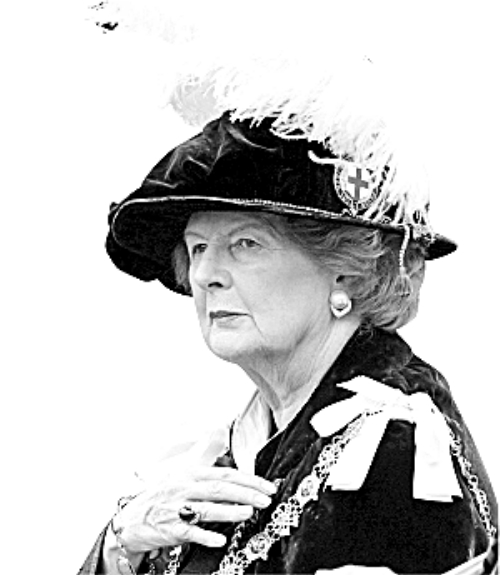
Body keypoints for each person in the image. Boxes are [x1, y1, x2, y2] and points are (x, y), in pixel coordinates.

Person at [78, 109, 497, 574]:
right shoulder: (236, 447)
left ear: (345, 269)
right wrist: (122, 541)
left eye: (245, 244)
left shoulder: (392, 448)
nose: (205, 274)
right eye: (198, 248)